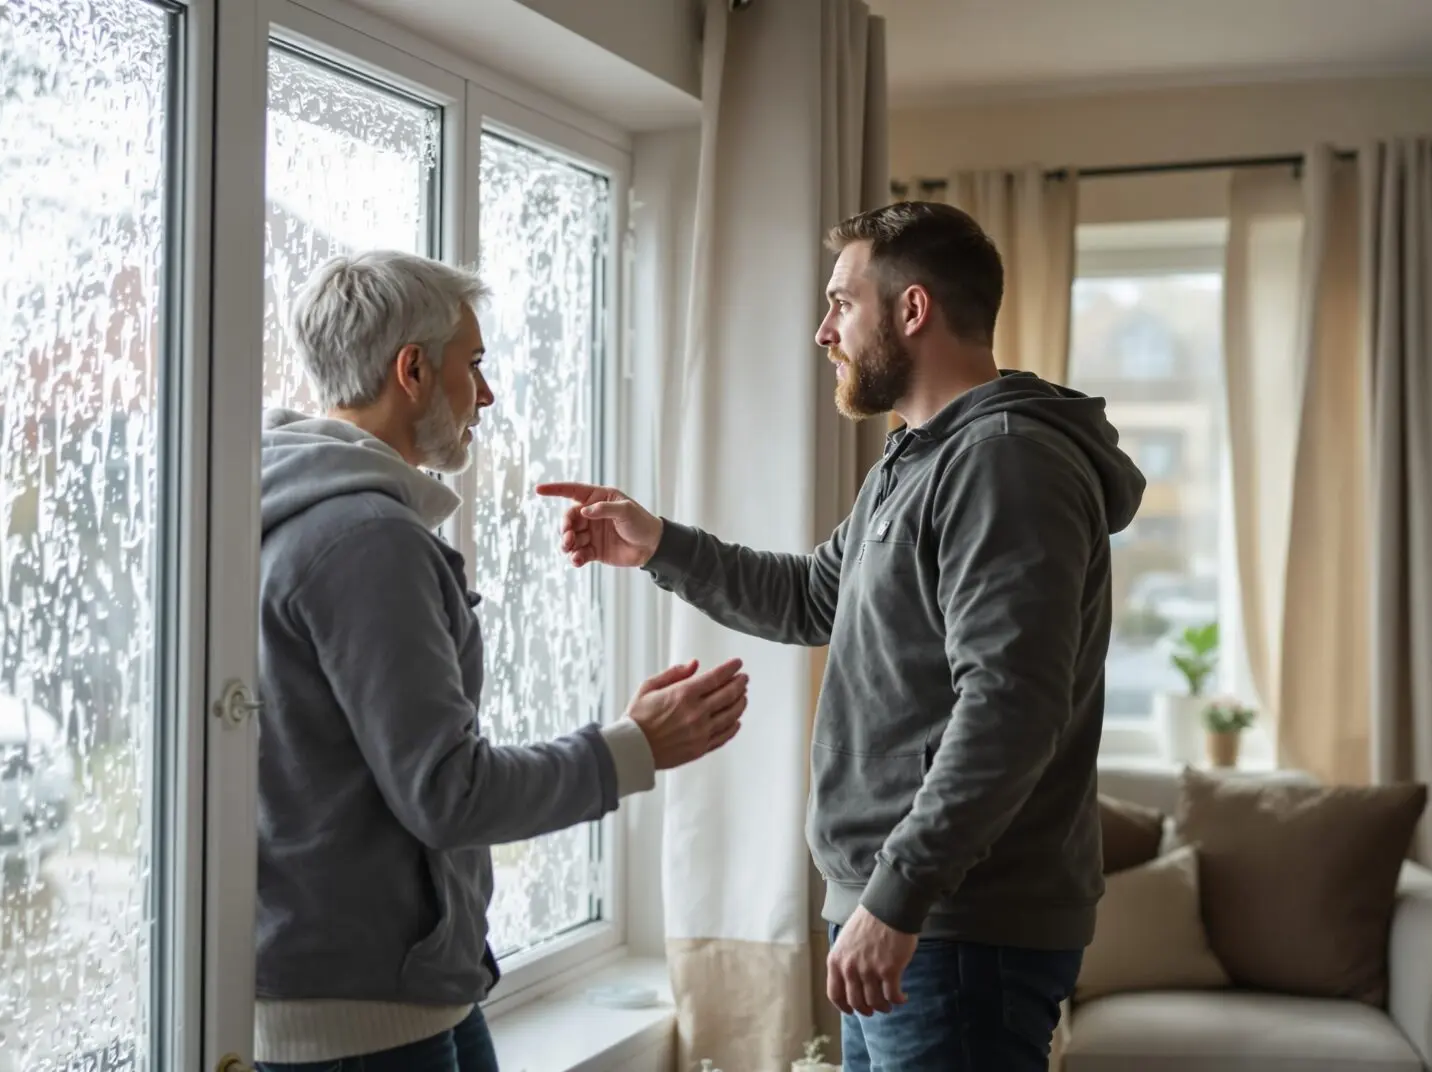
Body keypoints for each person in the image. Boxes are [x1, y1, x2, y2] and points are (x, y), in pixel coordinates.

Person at [539, 201, 1146, 1071]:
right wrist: (659, 545)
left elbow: (1010, 708)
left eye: (840, 303)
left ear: (912, 309)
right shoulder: (914, 461)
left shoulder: (1005, 462)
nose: (824, 332)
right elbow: (814, 596)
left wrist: (897, 901)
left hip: (957, 930)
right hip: (906, 919)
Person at [254, 250, 750, 1072]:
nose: (486, 395)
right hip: (367, 1026)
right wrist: (636, 746)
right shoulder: (366, 540)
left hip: (390, 998)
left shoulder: (288, 512)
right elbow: (449, 792)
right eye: (473, 366)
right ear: (412, 369)